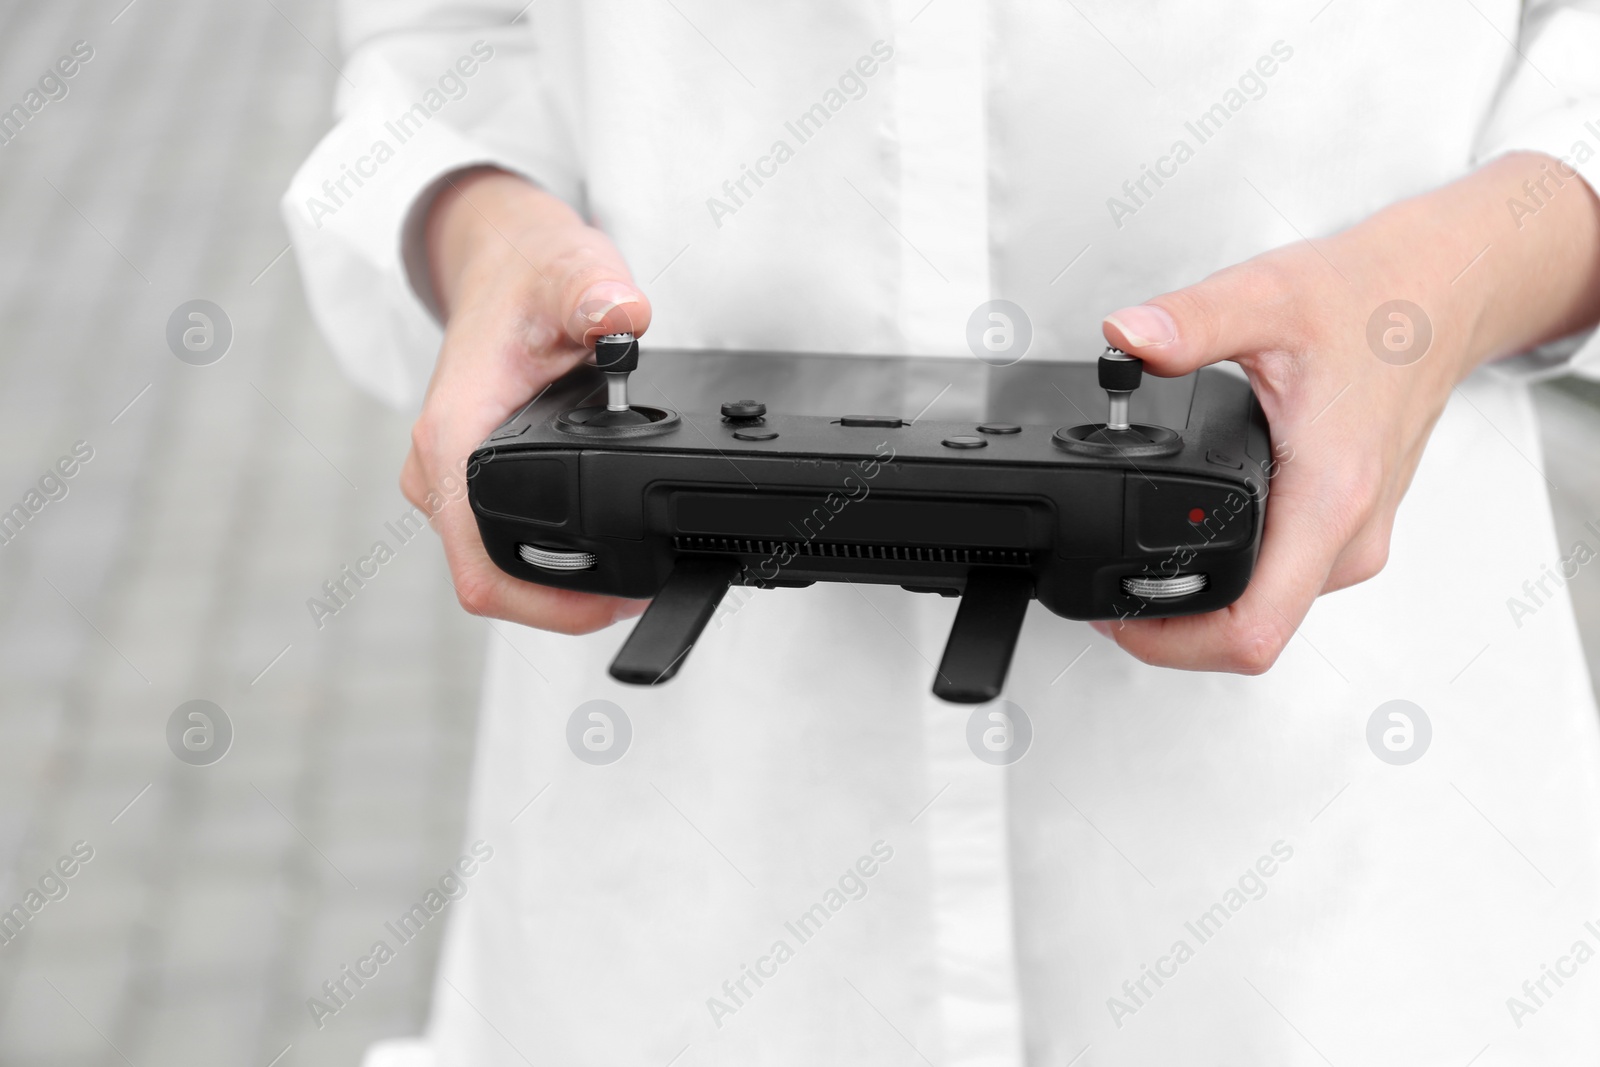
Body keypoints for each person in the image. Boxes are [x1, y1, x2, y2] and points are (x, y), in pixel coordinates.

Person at [284, 2, 1600, 1062]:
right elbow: (433, 46)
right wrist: (478, 226)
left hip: (1345, 857)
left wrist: (1449, 283)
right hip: (689, 870)